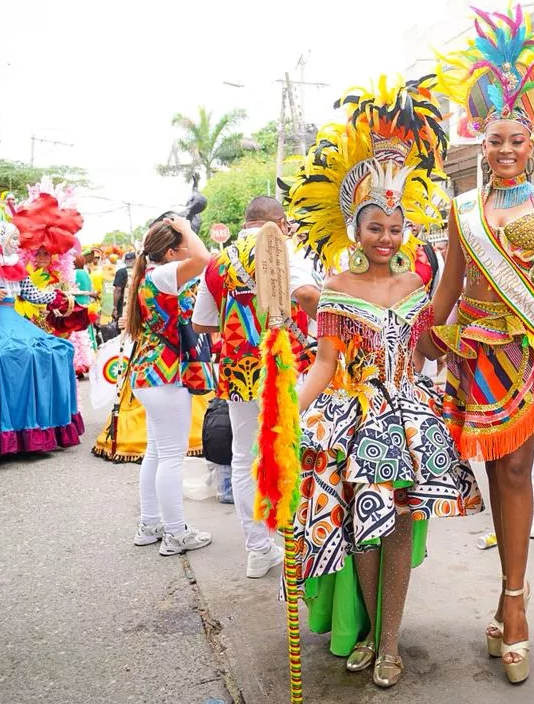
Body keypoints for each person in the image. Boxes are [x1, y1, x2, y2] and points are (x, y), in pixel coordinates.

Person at [288, 75, 481, 688]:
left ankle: (391, 642)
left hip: (413, 416)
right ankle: (371, 632)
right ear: (354, 229)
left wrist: (452, 333)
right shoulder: (337, 290)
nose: (387, 238)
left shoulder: (416, 285)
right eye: (376, 228)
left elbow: (427, 347)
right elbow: (324, 362)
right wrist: (285, 413)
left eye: (395, 228)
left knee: (398, 526)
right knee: (361, 528)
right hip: (357, 418)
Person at [426, 4, 534, 685]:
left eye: (516, 141)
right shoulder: (461, 211)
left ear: (533, 143)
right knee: (497, 478)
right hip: (475, 355)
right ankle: (505, 594)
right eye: (494, 140)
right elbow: (450, 282)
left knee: (520, 472)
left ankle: (517, 607)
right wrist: (421, 338)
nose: (504, 151)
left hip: (527, 356)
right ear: (480, 140)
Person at [192, 195, 320, 579]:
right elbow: (309, 296)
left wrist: (240, 316)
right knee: (296, 445)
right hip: (286, 364)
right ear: (279, 223)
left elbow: (201, 323)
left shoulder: (218, 262)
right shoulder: (282, 248)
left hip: (239, 369)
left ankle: (258, 549)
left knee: (244, 457)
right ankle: (303, 541)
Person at [0, 200, 85, 468]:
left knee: (56, 350)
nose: (17, 244)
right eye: (13, 239)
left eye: (17, 238)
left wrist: (61, 297)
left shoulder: (17, 266)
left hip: (14, 322)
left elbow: (33, 295)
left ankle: (39, 429)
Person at [125, 215, 215, 556]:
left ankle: (151, 524)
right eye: (183, 246)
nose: (187, 249)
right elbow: (204, 258)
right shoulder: (164, 275)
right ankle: (176, 533)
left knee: (157, 453)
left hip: (149, 374)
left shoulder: (151, 276)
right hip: (165, 376)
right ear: (171, 251)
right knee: (172, 458)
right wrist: (188, 228)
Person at [113, 250, 136, 321]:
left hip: (123, 306)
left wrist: (115, 307)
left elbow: (118, 290)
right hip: (137, 305)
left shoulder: (121, 272)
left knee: (122, 326)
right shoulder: (140, 271)